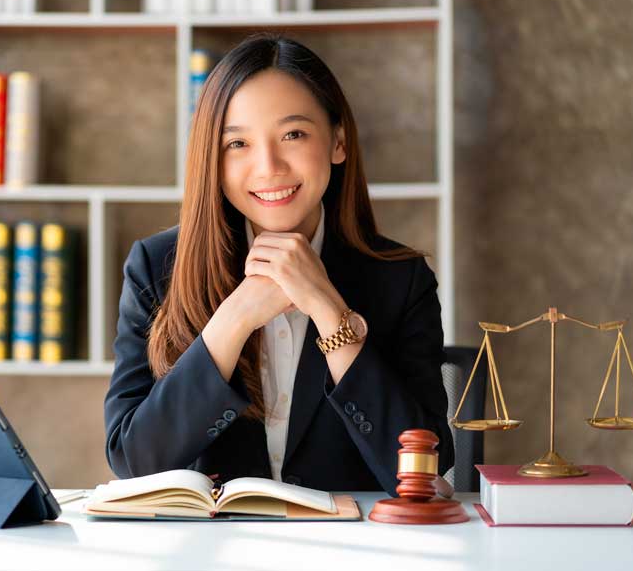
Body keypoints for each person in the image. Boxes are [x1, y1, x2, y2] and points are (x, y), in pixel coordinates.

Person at [103, 34, 453, 494]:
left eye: (293, 134)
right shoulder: (155, 267)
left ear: (338, 141)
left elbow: (422, 474)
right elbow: (133, 461)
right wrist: (236, 316)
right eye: (238, 144)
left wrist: (329, 311)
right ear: (213, 158)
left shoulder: (400, 279)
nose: (268, 167)